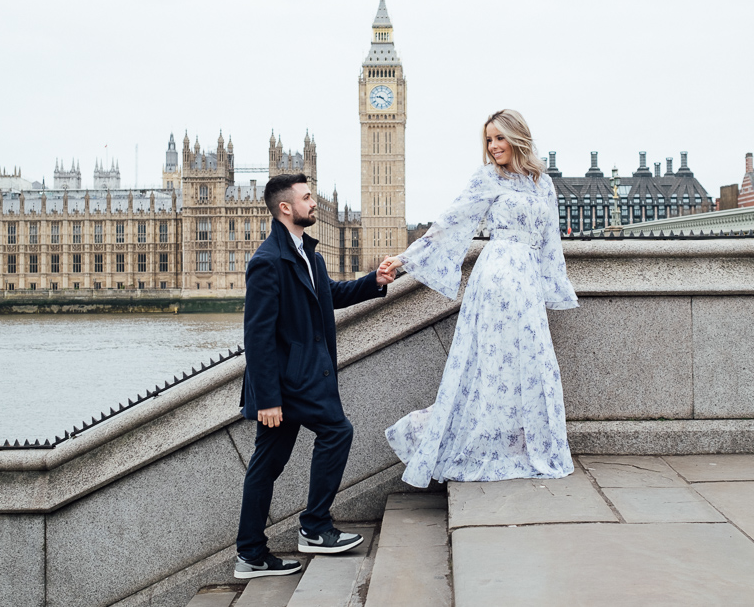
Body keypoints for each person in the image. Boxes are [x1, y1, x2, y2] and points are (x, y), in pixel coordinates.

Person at [379, 109, 579, 488]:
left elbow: (551, 241)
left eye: (499, 138)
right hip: (496, 279)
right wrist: (405, 259)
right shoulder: (488, 177)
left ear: (517, 137)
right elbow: (450, 222)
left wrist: (554, 287)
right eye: (489, 140)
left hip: (527, 283)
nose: (493, 147)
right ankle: (480, 442)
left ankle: (522, 446)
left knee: (530, 364)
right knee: (491, 364)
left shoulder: (543, 183)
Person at [234, 173, 396, 579]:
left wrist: (373, 281)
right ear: (285, 208)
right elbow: (257, 336)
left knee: (265, 466)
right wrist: (269, 398)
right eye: (307, 198)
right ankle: (315, 527)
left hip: (300, 377)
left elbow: (331, 296)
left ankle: (251, 555)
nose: (313, 203)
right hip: (291, 383)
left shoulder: (309, 254)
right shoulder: (268, 261)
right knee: (337, 431)